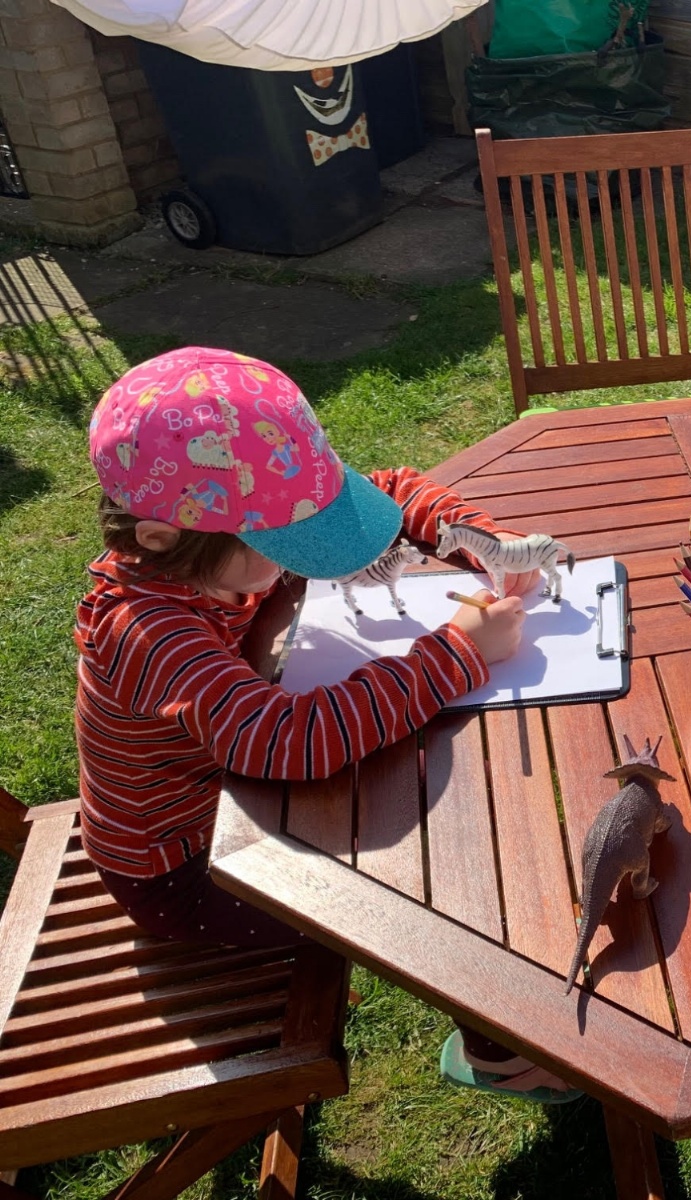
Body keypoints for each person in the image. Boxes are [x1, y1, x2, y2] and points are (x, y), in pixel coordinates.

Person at [80, 345, 570, 1101]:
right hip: (186, 870)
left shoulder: (201, 548)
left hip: (229, 806)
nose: (299, 556)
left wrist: (483, 542)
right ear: (160, 539)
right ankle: (501, 1054)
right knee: (423, 891)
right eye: (281, 544)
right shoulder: (147, 632)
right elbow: (286, 742)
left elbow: (393, 490)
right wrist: (458, 653)